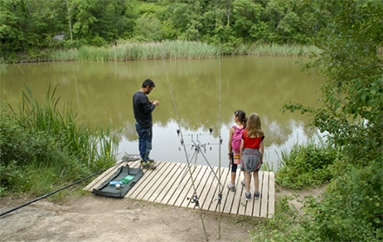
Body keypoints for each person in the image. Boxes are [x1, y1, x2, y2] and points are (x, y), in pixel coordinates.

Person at [132, 79, 159, 169]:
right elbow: (147, 110)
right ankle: (145, 162)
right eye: (151, 89)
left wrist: (149, 103)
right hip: (144, 125)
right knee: (146, 143)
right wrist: (154, 104)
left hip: (138, 123)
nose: (150, 91)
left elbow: (141, 107)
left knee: (141, 141)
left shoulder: (136, 95)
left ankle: (144, 158)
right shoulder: (143, 97)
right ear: (147, 87)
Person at [240, 113, 264, 200]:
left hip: (246, 155)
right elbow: (262, 148)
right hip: (256, 155)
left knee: (247, 174)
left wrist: (241, 155)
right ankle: (257, 193)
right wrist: (261, 159)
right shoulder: (260, 134)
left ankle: (248, 193)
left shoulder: (244, 133)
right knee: (256, 174)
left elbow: (241, 147)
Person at [227, 110, 247, 192]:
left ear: (237, 118)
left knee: (234, 168)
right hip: (244, 151)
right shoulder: (246, 128)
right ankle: (246, 181)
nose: (233, 118)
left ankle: (232, 184)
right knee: (244, 167)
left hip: (235, 152)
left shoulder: (232, 129)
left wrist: (229, 153)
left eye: (234, 116)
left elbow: (229, 142)